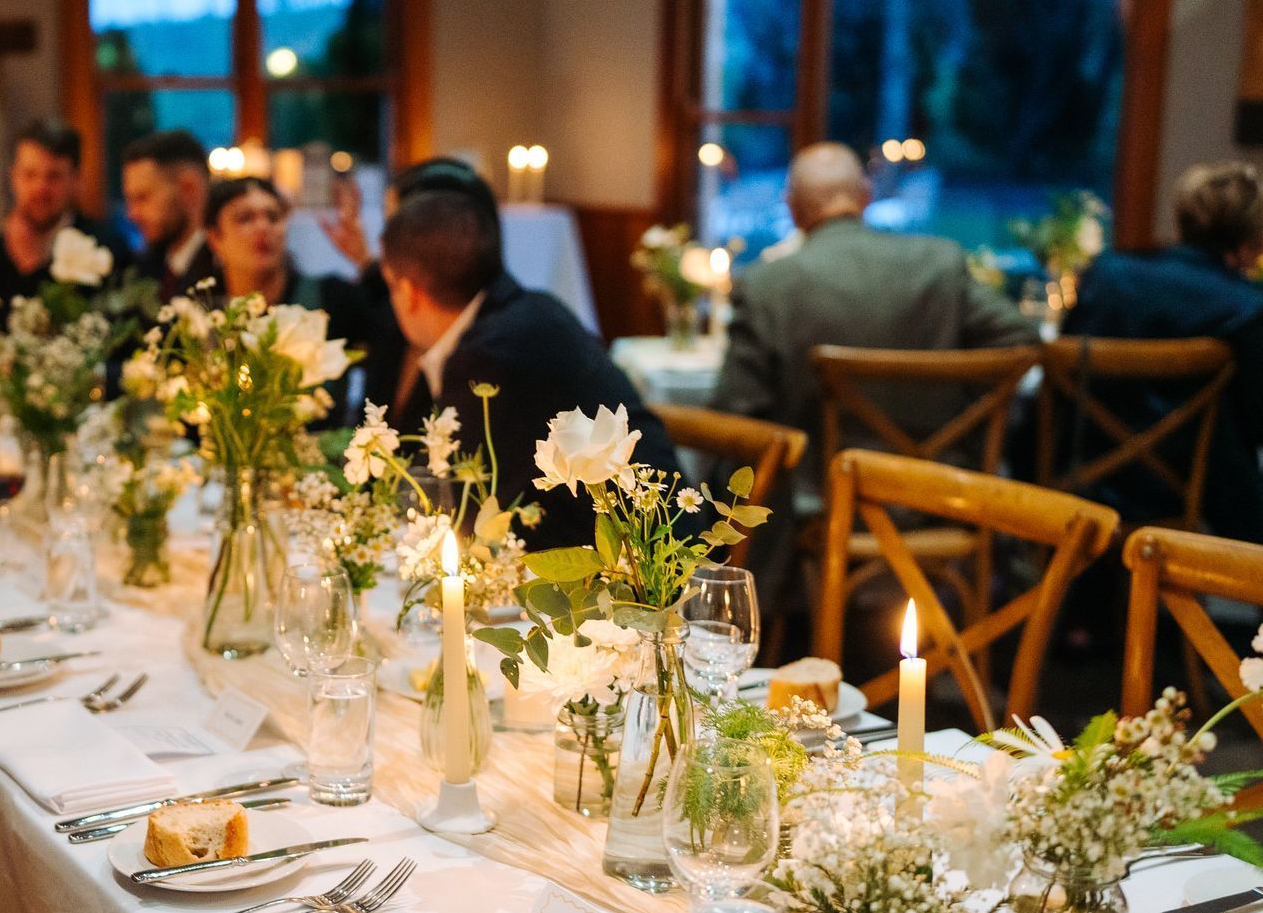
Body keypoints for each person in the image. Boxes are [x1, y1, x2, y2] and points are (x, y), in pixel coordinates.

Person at [378, 189, 680, 551]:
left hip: (640, 571)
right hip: (650, 533)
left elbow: (461, 509)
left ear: (410, 292)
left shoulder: (486, 357)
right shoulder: (533, 309)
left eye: (390, 286)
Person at [711, 142, 1039, 453]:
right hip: (936, 491)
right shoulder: (938, 263)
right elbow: (1022, 339)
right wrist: (962, 415)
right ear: (865, 197)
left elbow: (736, 411)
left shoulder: (766, 284)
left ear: (793, 210)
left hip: (817, 496)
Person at [1059, 162, 1263, 541]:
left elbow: (1061, 382)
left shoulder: (1107, 276)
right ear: (1251, 239)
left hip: (1079, 474)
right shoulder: (1245, 306)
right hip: (1184, 492)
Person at [186, 176, 371, 424]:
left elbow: (392, 338)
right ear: (214, 238)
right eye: (245, 218)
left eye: (273, 217)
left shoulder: (331, 298)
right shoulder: (201, 316)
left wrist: (367, 263)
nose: (263, 227)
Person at [0, 117, 132, 319]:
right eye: (30, 174)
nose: (40, 189)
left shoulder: (107, 249)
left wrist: (34, 265)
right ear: (13, 178)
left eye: (53, 176)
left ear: (76, 180)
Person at [122, 130, 213, 301]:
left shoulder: (227, 269)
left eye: (143, 197)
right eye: (129, 199)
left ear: (189, 188)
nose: (131, 214)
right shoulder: (142, 268)